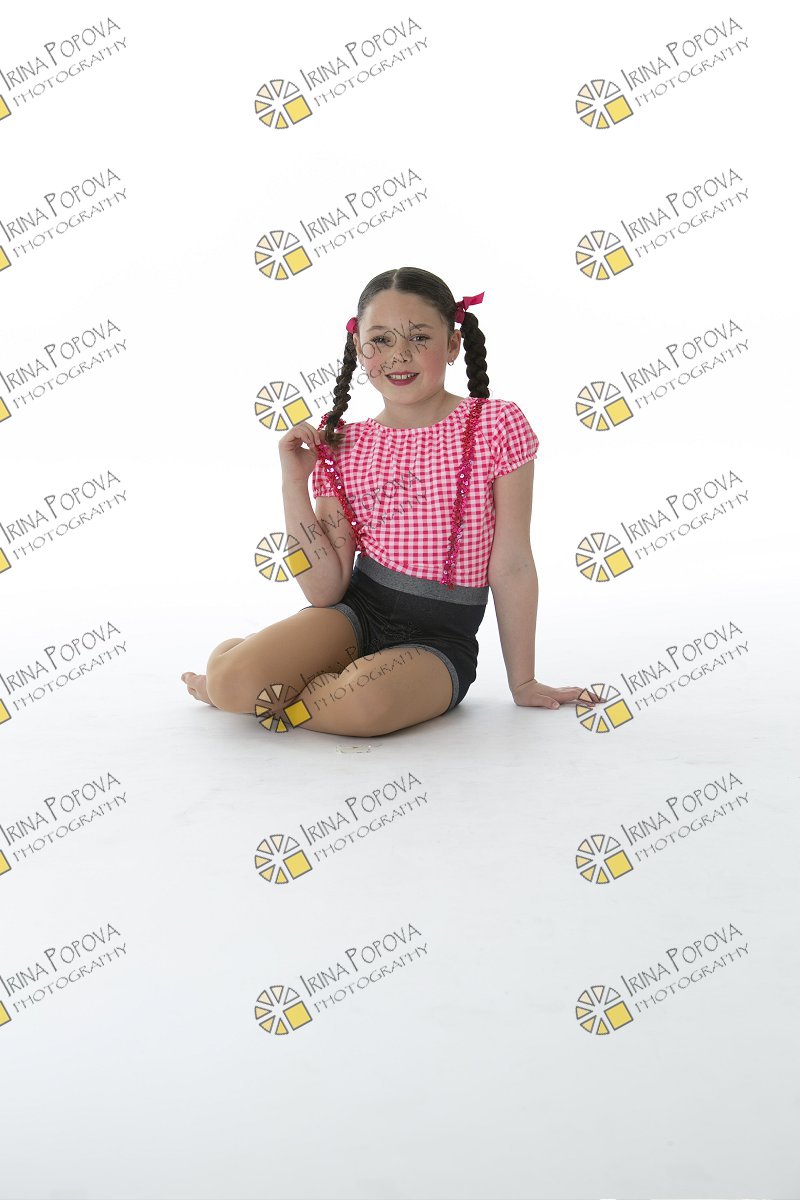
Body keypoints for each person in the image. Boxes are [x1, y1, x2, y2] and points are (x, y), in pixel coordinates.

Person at [181, 266, 601, 735]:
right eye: (380, 340)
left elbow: (514, 563)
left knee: (364, 706)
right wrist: (293, 484)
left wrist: (523, 681)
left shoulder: (495, 425)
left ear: (453, 345)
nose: (399, 355)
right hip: (355, 617)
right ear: (358, 348)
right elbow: (324, 591)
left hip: (440, 641)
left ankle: (273, 686)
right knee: (235, 684)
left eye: (419, 337)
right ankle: (240, 674)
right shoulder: (343, 444)